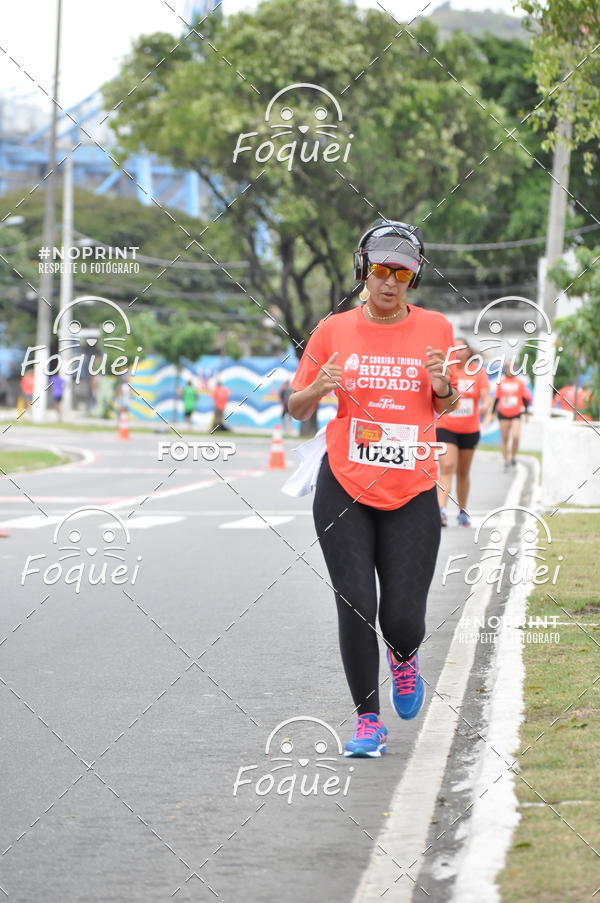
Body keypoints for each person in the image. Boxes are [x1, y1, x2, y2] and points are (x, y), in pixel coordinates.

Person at [288, 220, 458, 758]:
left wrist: (442, 386)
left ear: (414, 278)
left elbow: (447, 402)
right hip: (344, 483)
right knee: (356, 603)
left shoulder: (436, 328)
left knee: (403, 619)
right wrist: (318, 387)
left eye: (402, 274)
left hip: (412, 487)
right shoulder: (332, 330)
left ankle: (403, 656)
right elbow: (296, 406)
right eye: (382, 271)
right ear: (364, 270)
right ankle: (368, 722)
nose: (390, 283)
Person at [435, 338, 491, 527]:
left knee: (463, 472)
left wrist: (485, 406)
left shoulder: (477, 372)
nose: (457, 352)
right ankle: (441, 510)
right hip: (446, 426)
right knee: (447, 466)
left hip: (469, 429)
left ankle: (462, 511)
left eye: (461, 348)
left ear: (468, 352)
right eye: (454, 349)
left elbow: (486, 396)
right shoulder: (447, 371)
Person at [493, 364, 532, 470]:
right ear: (505, 369)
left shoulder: (519, 382)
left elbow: (524, 398)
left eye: (513, 368)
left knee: (515, 436)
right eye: (508, 368)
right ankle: (506, 459)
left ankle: (513, 456)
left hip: (516, 413)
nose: (510, 370)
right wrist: (493, 412)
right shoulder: (501, 382)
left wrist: (526, 412)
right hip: (503, 413)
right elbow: (497, 398)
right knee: (505, 438)